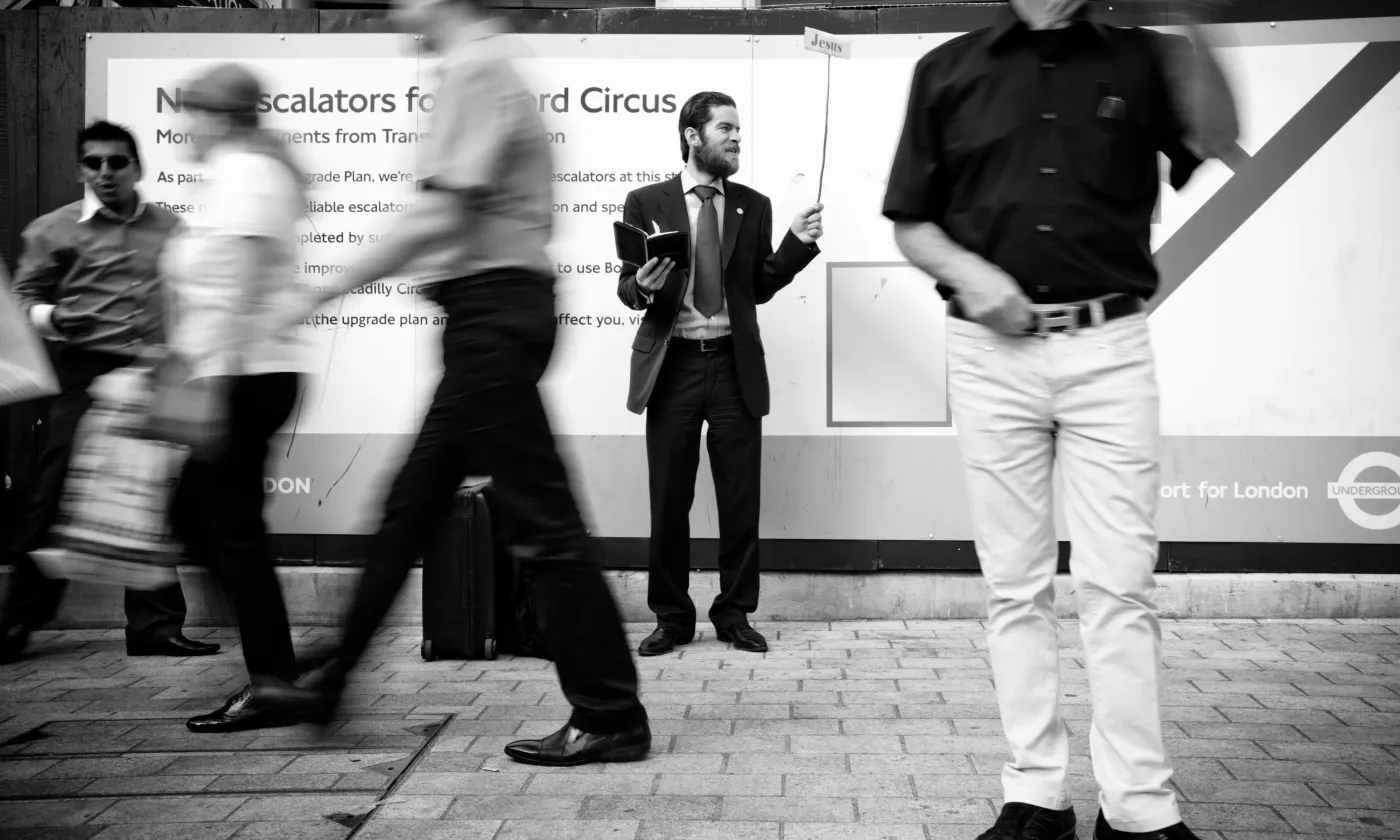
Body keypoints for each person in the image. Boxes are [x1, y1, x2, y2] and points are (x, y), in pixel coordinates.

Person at [884, 1, 1238, 839]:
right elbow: (912, 221)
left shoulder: (1143, 58)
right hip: (990, 354)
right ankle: (1036, 797)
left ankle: (1139, 808)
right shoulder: (947, 70)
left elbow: (1215, 134)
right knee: (1015, 585)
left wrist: (1200, 20)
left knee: (1121, 585)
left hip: (1109, 347)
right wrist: (972, 275)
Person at [271, 0, 651, 767]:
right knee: (409, 507)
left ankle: (610, 711)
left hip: (492, 318)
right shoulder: (483, 68)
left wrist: (324, 287)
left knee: (542, 524)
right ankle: (329, 680)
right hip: (487, 317)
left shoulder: (475, 70)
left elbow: (438, 216)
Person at [1, 121, 220, 664]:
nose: (105, 172)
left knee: (149, 497)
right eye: (94, 162)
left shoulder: (171, 227)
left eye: (116, 162)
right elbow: (23, 296)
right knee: (54, 495)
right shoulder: (51, 230)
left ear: (136, 167)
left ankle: (155, 628)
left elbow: (191, 295)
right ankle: (16, 622)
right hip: (87, 372)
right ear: (81, 169)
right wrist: (55, 317)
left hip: (155, 372)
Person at [617, 92, 823, 657]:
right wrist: (644, 287)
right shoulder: (645, 201)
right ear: (692, 135)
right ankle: (671, 619)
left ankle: (734, 614)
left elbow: (758, 286)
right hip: (673, 366)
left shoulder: (753, 206)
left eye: (738, 130)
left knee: (740, 500)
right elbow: (628, 287)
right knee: (669, 500)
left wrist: (796, 244)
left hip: (735, 365)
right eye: (726, 129)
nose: (736, 138)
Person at [155, 63, 311, 732]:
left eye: (192, 111)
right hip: (234, 375)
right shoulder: (233, 174)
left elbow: (242, 291)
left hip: (243, 377)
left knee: (227, 529)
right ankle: (277, 671)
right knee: (205, 521)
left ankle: (275, 680)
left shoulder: (248, 174)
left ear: (221, 116)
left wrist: (213, 387)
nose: (185, 125)